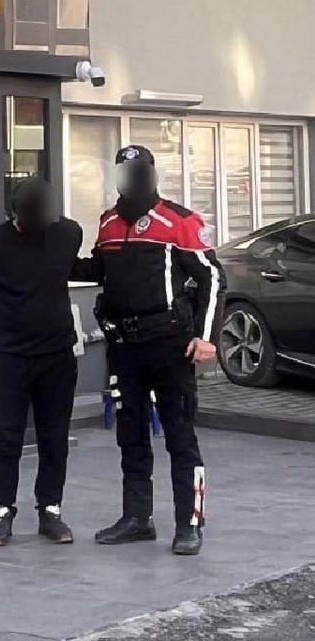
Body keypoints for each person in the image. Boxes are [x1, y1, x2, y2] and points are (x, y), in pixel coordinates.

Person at [73, 145, 223, 556]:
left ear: (152, 176)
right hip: (124, 347)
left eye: (138, 173)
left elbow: (212, 278)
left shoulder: (179, 221)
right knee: (131, 434)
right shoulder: (107, 222)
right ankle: (137, 518)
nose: (130, 181)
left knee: (179, 435)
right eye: (123, 173)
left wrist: (206, 337)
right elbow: (98, 270)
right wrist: (51, 251)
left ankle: (189, 523)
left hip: (170, 345)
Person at [0, 177, 83, 547]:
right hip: (10, 357)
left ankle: (50, 510)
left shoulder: (67, 234)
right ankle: (1, 513)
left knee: (54, 437)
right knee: (6, 437)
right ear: (14, 213)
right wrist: (9, 320)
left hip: (57, 355)